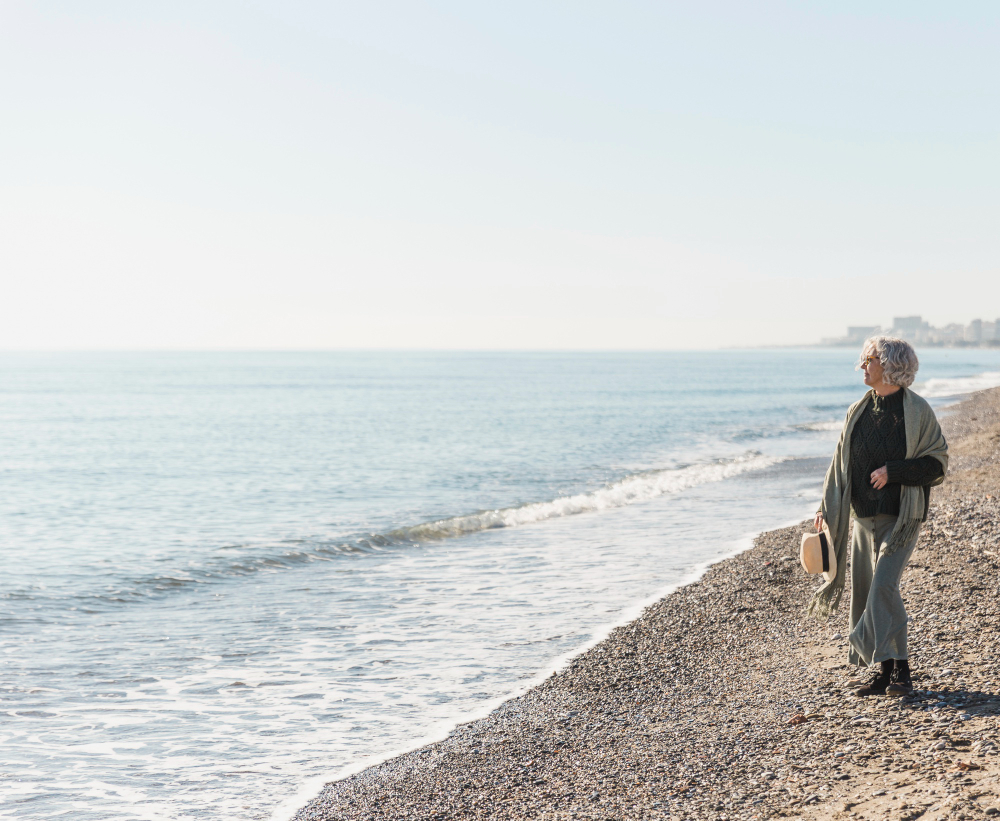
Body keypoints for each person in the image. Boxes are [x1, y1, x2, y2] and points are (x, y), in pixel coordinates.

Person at [810, 336, 948, 696]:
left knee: (884, 586)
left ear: (888, 365)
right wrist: (827, 505)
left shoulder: (917, 411)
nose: (862, 365)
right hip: (860, 518)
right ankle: (892, 672)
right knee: (872, 590)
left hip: (901, 518)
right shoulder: (857, 410)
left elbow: (937, 465)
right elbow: (839, 463)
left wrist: (894, 471)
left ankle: (866, 644)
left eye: (868, 359)